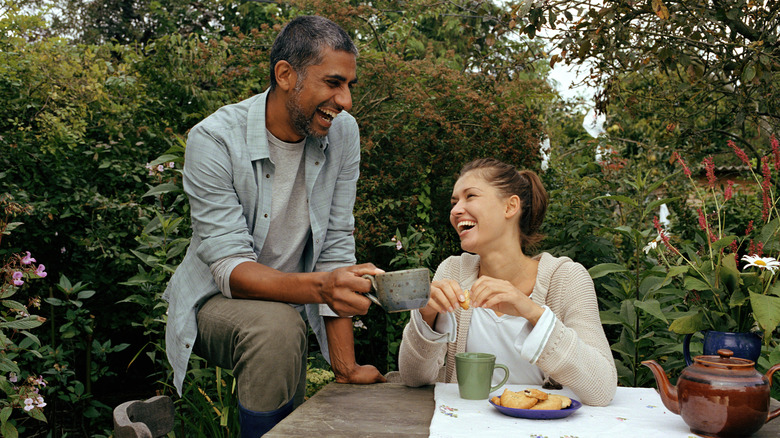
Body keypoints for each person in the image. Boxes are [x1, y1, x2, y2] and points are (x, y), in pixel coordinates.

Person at [163, 16, 386, 437]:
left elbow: (337, 247)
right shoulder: (213, 140)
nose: (346, 101)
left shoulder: (343, 134)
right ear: (286, 75)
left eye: (350, 85)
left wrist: (346, 367)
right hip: (214, 299)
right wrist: (322, 286)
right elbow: (230, 267)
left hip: (294, 299)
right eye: (334, 83)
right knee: (277, 327)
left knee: (283, 322)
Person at [397, 157, 617, 406]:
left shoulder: (566, 278)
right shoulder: (452, 270)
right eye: (454, 201)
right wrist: (426, 316)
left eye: (470, 196)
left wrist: (532, 313)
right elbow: (414, 378)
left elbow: (602, 389)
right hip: (465, 427)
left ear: (510, 207)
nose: (456, 210)